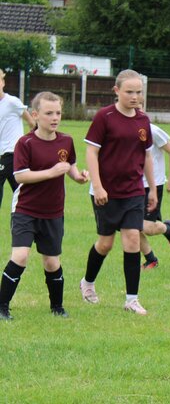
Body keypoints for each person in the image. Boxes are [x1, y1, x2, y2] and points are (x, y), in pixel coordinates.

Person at [0, 92, 89, 320]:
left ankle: (57, 307)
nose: (54, 117)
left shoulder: (66, 141)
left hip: (53, 212)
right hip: (25, 210)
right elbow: (19, 176)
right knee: (20, 257)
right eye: (49, 113)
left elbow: (70, 166)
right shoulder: (25, 143)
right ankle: (2, 307)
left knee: (51, 262)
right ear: (35, 115)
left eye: (58, 112)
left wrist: (79, 177)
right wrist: (51, 172)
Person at [79, 69, 157, 315]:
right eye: (129, 92)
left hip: (134, 191)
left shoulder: (143, 120)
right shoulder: (105, 117)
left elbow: (146, 156)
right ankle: (88, 283)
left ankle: (131, 299)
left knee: (133, 239)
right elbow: (91, 152)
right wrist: (98, 186)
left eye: (139, 92)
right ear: (116, 91)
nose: (135, 97)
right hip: (106, 191)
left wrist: (152, 188)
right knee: (105, 244)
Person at [138, 112, 170, 270]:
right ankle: (151, 260)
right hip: (131, 186)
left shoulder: (152, 131)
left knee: (147, 228)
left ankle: (167, 228)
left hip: (152, 185)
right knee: (128, 225)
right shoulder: (123, 130)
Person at [0, 69, 35, 209]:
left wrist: (27, 142)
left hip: (13, 151)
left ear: (2, 82)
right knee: (19, 187)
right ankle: (28, 210)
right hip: (2, 153)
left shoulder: (12, 102)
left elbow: (31, 122)